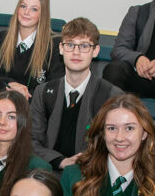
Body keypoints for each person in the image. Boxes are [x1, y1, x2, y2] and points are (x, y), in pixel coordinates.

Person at [30, 17, 121, 170]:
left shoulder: (111, 95)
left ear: (95, 51)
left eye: (84, 46)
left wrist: (82, 161)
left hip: (89, 173)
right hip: (48, 170)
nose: (76, 52)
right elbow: (31, 141)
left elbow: (115, 145)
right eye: (70, 45)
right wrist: (61, 161)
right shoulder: (43, 92)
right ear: (60, 48)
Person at [0, 0, 63, 117]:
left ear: (43, 14)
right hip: (3, 93)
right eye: (23, 6)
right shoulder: (2, 37)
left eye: (34, 9)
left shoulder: (54, 44)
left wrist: (23, 92)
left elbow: (53, 86)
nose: (26, 12)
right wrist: (11, 84)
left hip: (30, 100)